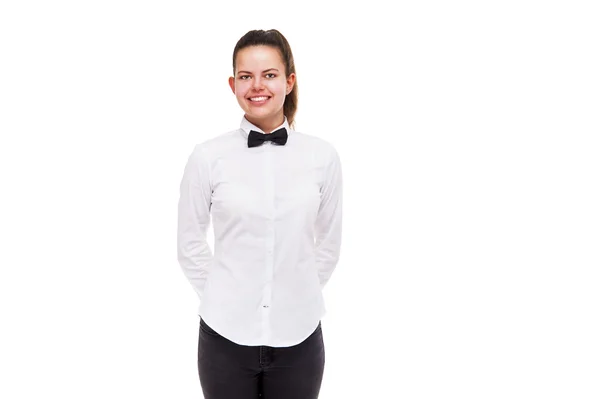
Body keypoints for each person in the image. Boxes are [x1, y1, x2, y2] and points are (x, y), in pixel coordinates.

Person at [177, 28, 343, 399]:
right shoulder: (207, 157)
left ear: (289, 81)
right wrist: (225, 297)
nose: (257, 86)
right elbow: (189, 244)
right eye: (246, 76)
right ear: (232, 84)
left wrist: (296, 294)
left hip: (299, 336)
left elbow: (328, 244)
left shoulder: (322, 157)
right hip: (224, 338)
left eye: (269, 75)